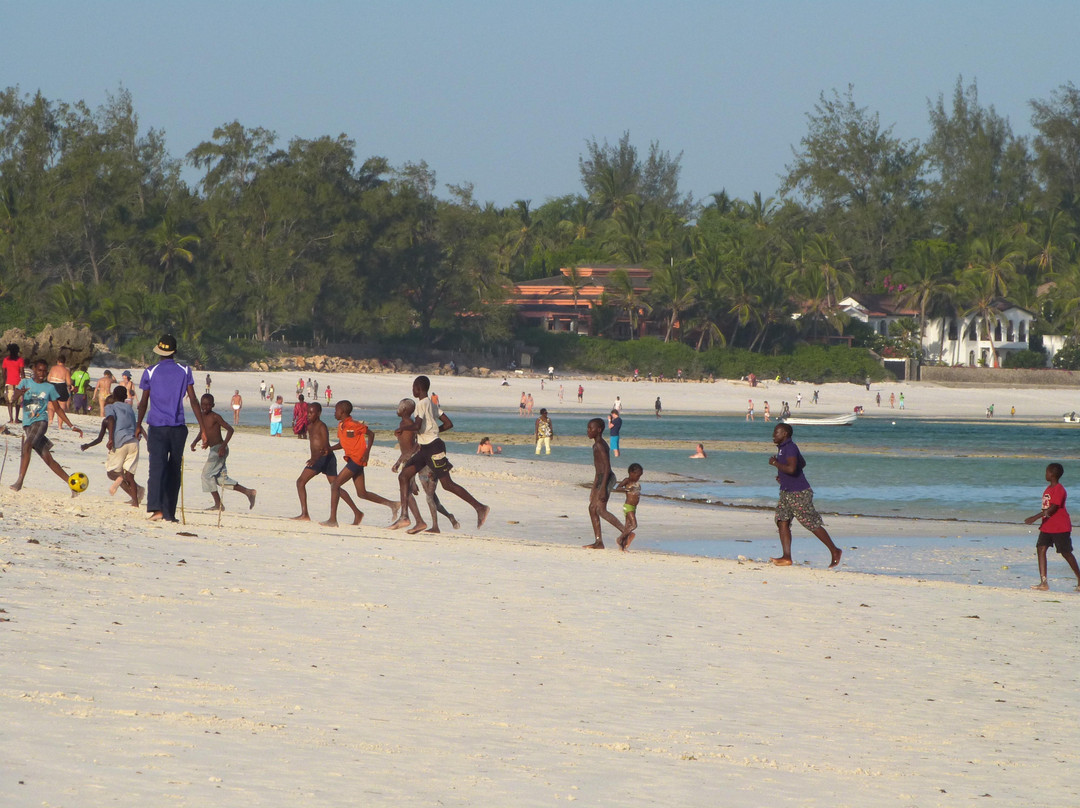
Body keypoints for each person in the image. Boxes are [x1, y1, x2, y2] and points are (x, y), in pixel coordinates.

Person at [393, 375, 488, 530]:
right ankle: (404, 517)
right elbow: (448, 423)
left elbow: (417, 426)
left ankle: (480, 507)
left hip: (434, 449)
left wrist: (403, 428)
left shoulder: (421, 404)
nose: (412, 390)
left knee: (447, 484)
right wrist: (434, 431)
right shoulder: (432, 404)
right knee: (404, 476)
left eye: (413, 387)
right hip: (424, 449)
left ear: (418, 388)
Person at [136, 334, 206, 522]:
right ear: (174, 352)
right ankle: (169, 513)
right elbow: (193, 400)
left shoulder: (150, 371)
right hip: (177, 428)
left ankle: (156, 509)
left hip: (157, 427)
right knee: (174, 470)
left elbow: (143, 402)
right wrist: (203, 428)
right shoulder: (184, 370)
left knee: (156, 468)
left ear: (159, 351)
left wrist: (138, 424)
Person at [768, 423, 842, 569]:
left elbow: (791, 468)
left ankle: (835, 551)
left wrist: (776, 464)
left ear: (785, 434)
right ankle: (786, 557)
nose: (773, 435)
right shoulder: (783, 448)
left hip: (799, 492)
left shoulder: (790, 447)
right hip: (786, 491)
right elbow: (801, 463)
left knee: (810, 522)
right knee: (782, 520)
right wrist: (784, 477)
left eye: (776, 432)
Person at [8, 358, 84, 492]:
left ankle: (20, 480)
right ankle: (72, 484)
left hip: (41, 422)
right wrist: (19, 393)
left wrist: (71, 426)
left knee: (27, 445)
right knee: (47, 458)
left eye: (44, 371)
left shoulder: (49, 388)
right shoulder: (25, 382)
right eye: (39, 370)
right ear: (34, 370)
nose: (42, 373)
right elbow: (12, 399)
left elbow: (58, 409)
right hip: (28, 425)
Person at [321, 400, 398, 528]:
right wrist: (329, 449)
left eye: (336, 410)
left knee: (335, 485)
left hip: (357, 459)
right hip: (353, 460)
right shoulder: (341, 426)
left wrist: (367, 452)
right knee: (362, 493)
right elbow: (342, 444)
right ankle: (392, 504)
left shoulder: (354, 424)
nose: (334, 413)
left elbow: (371, 434)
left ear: (342, 412)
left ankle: (333, 520)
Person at [391, 398, 459, 534]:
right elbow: (407, 449)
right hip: (414, 462)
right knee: (430, 497)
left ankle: (432, 525)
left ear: (404, 410)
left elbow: (415, 447)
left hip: (423, 463)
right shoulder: (405, 424)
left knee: (428, 497)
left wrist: (401, 463)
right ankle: (447, 517)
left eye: (399, 406)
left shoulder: (409, 425)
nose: (397, 409)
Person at [290, 402, 362, 524]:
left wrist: (315, 459)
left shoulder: (322, 426)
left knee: (300, 482)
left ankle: (305, 514)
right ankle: (357, 512)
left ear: (318, 413)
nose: (308, 415)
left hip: (324, 458)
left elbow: (325, 446)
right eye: (308, 412)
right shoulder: (310, 426)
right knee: (335, 487)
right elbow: (313, 443)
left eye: (312, 413)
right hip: (320, 459)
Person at [190, 393, 256, 512]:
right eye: (203, 405)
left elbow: (230, 430)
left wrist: (223, 446)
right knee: (220, 479)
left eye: (208, 405)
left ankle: (218, 504)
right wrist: (195, 442)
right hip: (213, 449)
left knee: (206, 475)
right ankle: (248, 492)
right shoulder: (201, 417)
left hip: (219, 449)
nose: (205, 407)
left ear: (213, 405)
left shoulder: (215, 417)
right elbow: (202, 431)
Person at [80, 384, 142, 506]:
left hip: (120, 441)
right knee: (130, 476)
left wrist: (110, 439)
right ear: (125, 396)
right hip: (133, 442)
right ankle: (135, 502)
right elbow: (136, 425)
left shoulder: (111, 407)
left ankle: (121, 480)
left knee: (112, 473)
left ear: (114, 395)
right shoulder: (130, 408)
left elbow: (111, 420)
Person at [1024, 463, 1080, 592]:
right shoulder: (1048, 489)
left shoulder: (1059, 489)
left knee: (1066, 553)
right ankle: (1043, 582)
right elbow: (1046, 507)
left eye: (1047, 472)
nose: (1045, 474)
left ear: (1052, 474)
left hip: (1060, 526)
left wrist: (1034, 517)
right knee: (1041, 548)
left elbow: (1053, 508)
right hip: (1047, 526)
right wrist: (1042, 520)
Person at [582, 417, 623, 549]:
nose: (588, 431)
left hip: (607, 477)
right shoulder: (596, 444)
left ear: (599, 430)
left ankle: (626, 532)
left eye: (591, 428)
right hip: (601, 478)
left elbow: (607, 467)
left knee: (600, 509)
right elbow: (598, 469)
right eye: (588, 428)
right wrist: (594, 488)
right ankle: (598, 541)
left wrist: (603, 488)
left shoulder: (600, 445)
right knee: (592, 508)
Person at [614, 463, 643, 551]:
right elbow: (618, 488)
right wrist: (628, 489)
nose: (638, 478)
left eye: (640, 476)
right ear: (631, 473)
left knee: (627, 527)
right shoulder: (627, 480)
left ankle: (622, 546)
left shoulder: (636, 483)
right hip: (628, 507)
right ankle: (620, 539)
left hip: (634, 508)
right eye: (637, 476)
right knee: (634, 525)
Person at [47, 354, 73, 427]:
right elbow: (68, 382)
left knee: (51, 404)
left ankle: (50, 420)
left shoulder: (53, 368)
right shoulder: (66, 370)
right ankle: (60, 425)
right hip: (61, 386)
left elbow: (48, 378)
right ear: (64, 362)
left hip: (52, 385)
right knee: (62, 406)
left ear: (58, 361)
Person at [3, 343, 25, 423]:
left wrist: (5, 381)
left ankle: (11, 418)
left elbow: (4, 372)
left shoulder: (6, 360)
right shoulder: (20, 360)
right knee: (18, 401)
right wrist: (24, 382)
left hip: (9, 382)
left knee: (9, 401)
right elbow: (22, 372)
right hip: (18, 382)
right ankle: (16, 418)